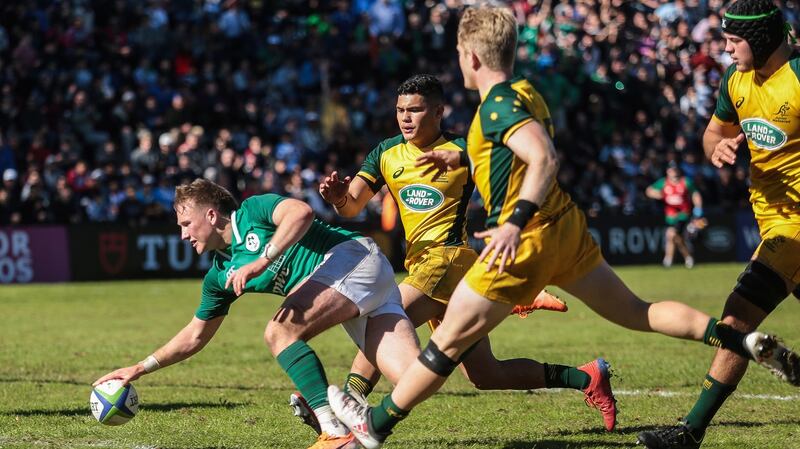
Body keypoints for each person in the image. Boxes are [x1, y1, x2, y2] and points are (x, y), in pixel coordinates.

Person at [326, 6, 799, 449]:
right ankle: (744, 340)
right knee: (639, 311)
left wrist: (512, 221)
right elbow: (519, 148)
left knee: (444, 345)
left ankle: (373, 427)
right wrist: (463, 154)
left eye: (457, 53)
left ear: (470, 57)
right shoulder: (524, 91)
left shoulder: (494, 107)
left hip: (521, 243)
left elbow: (542, 156)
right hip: (565, 229)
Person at [298, 74, 619, 434]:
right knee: (486, 374)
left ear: (438, 112)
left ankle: (348, 409)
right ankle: (586, 377)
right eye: (400, 110)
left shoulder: (463, 150)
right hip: (426, 269)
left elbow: (517, 181)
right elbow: (352, 205)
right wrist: (338, 196)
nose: (405, 118)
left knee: (384, 315)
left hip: (449, 258)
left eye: (415, 110)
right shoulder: (386, 152)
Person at [92, 178, 421, 449]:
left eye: (186, 223)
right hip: (361, 286)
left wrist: (263, 259)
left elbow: (301, 213)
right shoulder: (219, 273)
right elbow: (195, 336)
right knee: (413, 379)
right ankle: (367, 419)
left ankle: (332, 429)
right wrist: (139, 367)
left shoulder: (252, 211)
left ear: (210, 215)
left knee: (279, 332)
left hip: (354, 259)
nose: (183, 234)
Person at [638, 1, 800, 447]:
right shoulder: (736, 80)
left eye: (733, 41)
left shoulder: (798, 78)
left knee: (735, 318)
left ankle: (690, 433)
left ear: (762, 40)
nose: (724, 48)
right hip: (771, 222)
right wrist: (718, 148)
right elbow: (714, 132)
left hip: (794, 228)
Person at [645, 161, 704, 268]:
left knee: (671, 234)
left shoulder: (685, 182)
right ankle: (688, 258)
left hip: (683, 215)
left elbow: (695, 194)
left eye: (675, 170)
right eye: (672, 170)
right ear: (668, 171)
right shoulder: (664, 183)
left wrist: (698, 208)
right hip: (670, 217)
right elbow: (649, 191)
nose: (674, 172)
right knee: (675, 238)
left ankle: (667, 261)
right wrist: (660, 195)